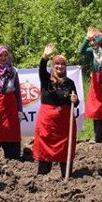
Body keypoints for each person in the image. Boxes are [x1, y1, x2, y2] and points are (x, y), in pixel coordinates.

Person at [34, 44, 79, 178]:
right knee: (44, 148)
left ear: (66, 66)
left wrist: (75, 99)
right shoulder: (47, 79)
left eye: (62, 64)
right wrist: (45, 57)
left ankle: (66, 175)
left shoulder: (70, 83)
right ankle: (42, 175)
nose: (59, 67)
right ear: (53, 66)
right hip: (48, 122)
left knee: (65, 149)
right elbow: (41, 68)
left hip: (64, 124)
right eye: (57, 64)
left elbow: (76, 103)